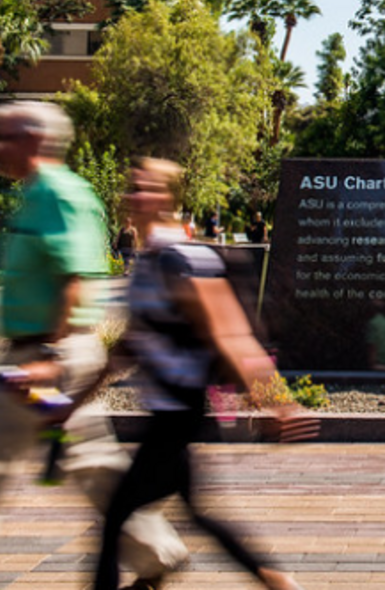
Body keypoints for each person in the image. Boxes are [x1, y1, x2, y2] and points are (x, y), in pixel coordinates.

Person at [0, 102, 186, 590]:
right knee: (86, 461)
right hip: (36, 360)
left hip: (44, 360)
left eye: (5, 136)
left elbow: (75, 278)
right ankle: (157, 551)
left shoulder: (59, 195)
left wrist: (48, 356)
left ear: (35, 141)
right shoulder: (37, 194)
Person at [92, 158, 312, 590]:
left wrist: (277, 400)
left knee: (116, 515)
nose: (132, 196)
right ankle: (277, 581)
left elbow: (230, 333)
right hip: (167, 409)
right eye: (130, 187)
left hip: (179, 409)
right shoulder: (151, 259)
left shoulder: (183, 259)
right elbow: (129, 345)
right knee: (198, 514)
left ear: (167, 198)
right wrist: (75, 397)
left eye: (144, 187)